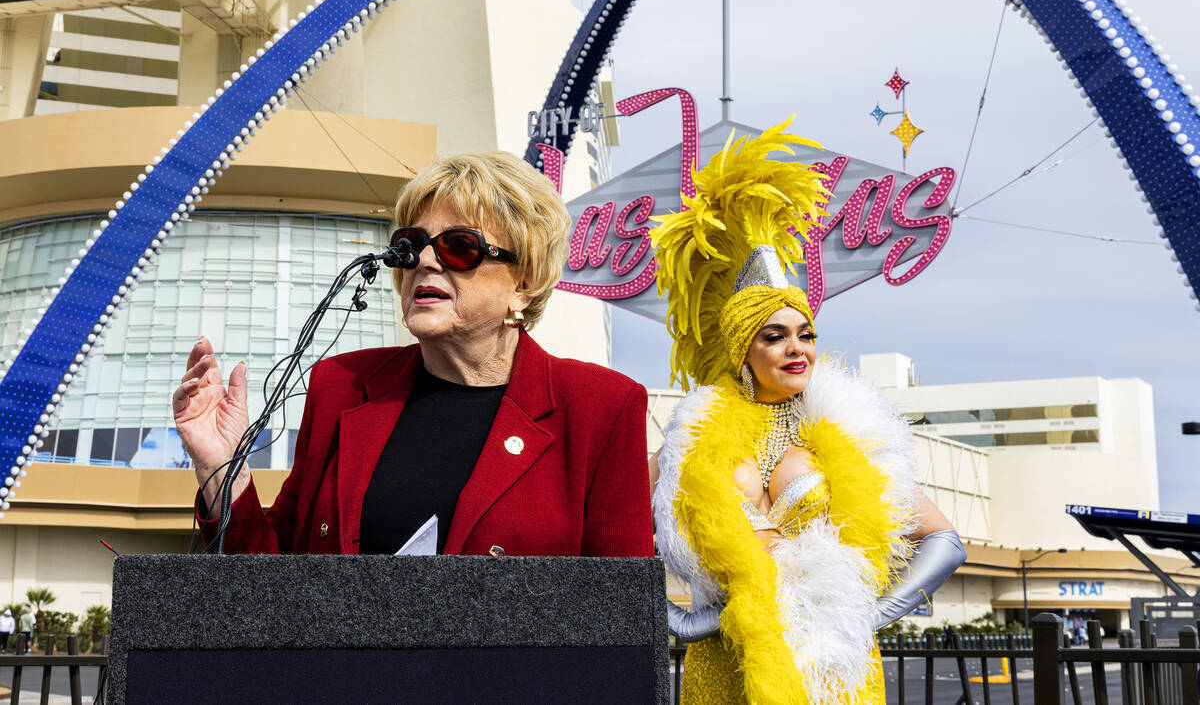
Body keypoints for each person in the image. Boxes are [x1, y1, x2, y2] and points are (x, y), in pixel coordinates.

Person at [173, 150, 653, 557]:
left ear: (522, 284)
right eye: (410, 244)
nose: (424, 260)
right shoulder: (340, 386)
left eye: (459, 247)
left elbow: (623, 614)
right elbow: (272, 575)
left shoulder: (601, 408)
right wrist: (221, 467)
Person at [648, 122, 966, 705]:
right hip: (727, 660)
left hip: (830, 661)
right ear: (744, 349)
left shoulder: (847, 432)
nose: (797, 348)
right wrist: (683, 619)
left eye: (806, 333)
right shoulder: (688, 444)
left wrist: (869, 612)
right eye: (774, 336)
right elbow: (614, 539)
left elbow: (944, 540)